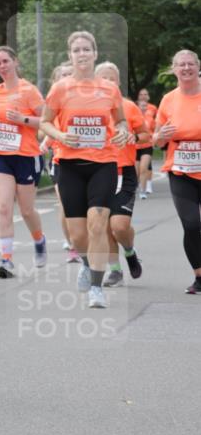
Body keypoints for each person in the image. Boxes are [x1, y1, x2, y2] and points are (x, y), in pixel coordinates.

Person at [40, 31, 130, 309]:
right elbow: (45, 121)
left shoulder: (109, 89)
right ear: (70, 55)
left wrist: (123, 132)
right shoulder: (60, 89)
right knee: (78, 234)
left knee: (98, 224)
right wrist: (60, 135)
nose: (81, 54)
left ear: (94, 53)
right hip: (69, 165)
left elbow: (122, 121)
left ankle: (96, 287)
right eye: (76, 50)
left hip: (103, 162)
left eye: (86, 49)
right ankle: (86, 262)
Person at [0, 46, 47, 278]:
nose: (2, 66)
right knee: (4, 206)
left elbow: (47, 121)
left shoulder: (29, 91)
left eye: (6, 61)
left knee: (27, 210)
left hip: (26, 155)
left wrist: (23, 119)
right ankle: (6, 260)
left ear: (15, 62)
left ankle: (39, 240)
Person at [95, 62, 149, 287]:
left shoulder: (128, 107)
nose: (108, 83)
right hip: (97, 170)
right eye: (103, 79)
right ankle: (115, 270)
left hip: (123, 172)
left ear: (118, 83)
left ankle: (129, 251)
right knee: (104, 225)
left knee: (119, 226)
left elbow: (146, 136)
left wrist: (133, 138)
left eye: (112, 79)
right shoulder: (89, 108)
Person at [153, 49, 201, 294]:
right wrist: (160, 136)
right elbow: (158, 140)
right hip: (180, 170)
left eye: (190, 64)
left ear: (198, 67)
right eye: (180, 65)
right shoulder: (169, 100)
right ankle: (199, 275)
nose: (186, 68)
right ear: (174, 69)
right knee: (192, 225)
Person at [41, 62, 81, 263]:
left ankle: (82, 240)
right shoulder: (53, 101)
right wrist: (46, 142)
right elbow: (46, 126)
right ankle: (73, 245)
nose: (66, 77)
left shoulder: (84, 99)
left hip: (86, 159)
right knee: (66, 204)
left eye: (69, 74)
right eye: (62, 74)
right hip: (60, 159)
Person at [136, 88, 158, 199]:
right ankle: (137, 186)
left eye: (146, 107)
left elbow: (155, 129)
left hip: (147, 146)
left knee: (144, 168)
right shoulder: (134, 115)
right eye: (141, 107)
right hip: (135, 146)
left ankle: (143, 190)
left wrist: (155, 138)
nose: (144, 108)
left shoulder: (151, 115)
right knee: (136, 170)